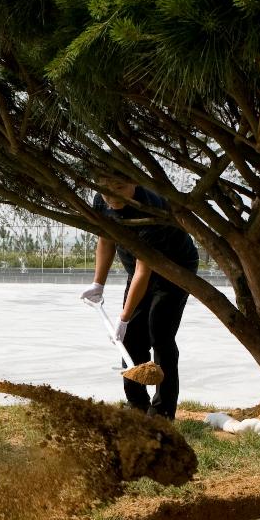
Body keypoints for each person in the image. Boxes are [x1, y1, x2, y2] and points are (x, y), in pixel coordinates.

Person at [80, 175, 199, 419]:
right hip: (139, 270)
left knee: (160, 334)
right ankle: (137, 406)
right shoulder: (101, 199)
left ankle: (162, 411)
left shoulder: (150, 209)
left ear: (134, 180)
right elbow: (105, 238)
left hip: (173, 269)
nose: (111, 196)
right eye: (105, 190)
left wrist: (122, 318)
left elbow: (144, 273)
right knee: (132, 340)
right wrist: (97, 284)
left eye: (119, 186)